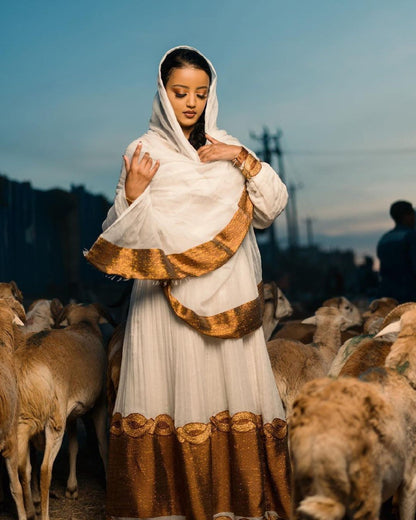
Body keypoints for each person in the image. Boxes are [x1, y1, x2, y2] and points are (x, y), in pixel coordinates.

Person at [86, 46, 290, 520]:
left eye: (200, 92)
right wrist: (133, 196)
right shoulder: (144, 152)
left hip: (230, 294)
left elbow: (270, 207)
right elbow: (119, 238)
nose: (192, 103)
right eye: (180, 93)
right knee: (172, 390)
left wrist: (241, 158)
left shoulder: (224, 146)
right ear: (163, 94)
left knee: (229, 390)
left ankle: (239, 503)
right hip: (164, 304)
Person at [377, 200, 416, 303]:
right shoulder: (411, 236)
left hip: (388, 296)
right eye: (413, 214)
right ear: (407, 216)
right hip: (409, 295)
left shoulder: (384, 239)